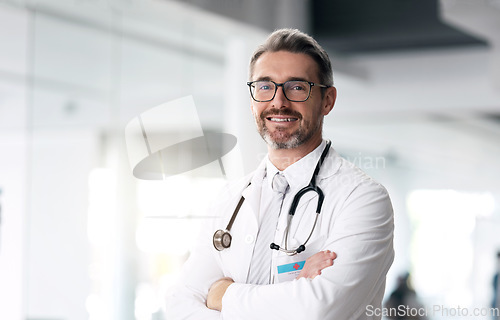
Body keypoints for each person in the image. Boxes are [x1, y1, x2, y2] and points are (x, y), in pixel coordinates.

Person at [165, 28, 394, 319]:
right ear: (252, 101)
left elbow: (320, 309)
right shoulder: (229, 199)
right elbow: (179, 304)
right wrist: (291, 296)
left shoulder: (362, 198)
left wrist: (223, 294)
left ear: (327, 100)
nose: (278, 101)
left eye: (297, 87)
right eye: (265, 87)